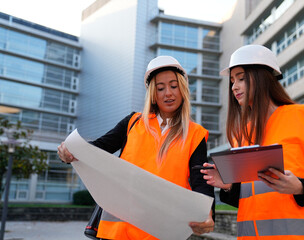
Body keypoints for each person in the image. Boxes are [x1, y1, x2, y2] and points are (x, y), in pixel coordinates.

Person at [57, 56, 215, 239]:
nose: (168, 93)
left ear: (183, 89)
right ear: (152, 95)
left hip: (160, 232)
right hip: (117, 232)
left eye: (174, 86)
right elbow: (97, 149)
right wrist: (69, 152)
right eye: (160, 88)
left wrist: (207, 214)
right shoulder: (133, 122)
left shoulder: (195, 134)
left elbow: (201, 180)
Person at [201, 45, 304, 240]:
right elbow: (250, 198)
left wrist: (301, 187)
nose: (234, 86)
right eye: (232, 81)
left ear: (263, 79)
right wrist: (228, 186)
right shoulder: (241, 135)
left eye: (241, 78)